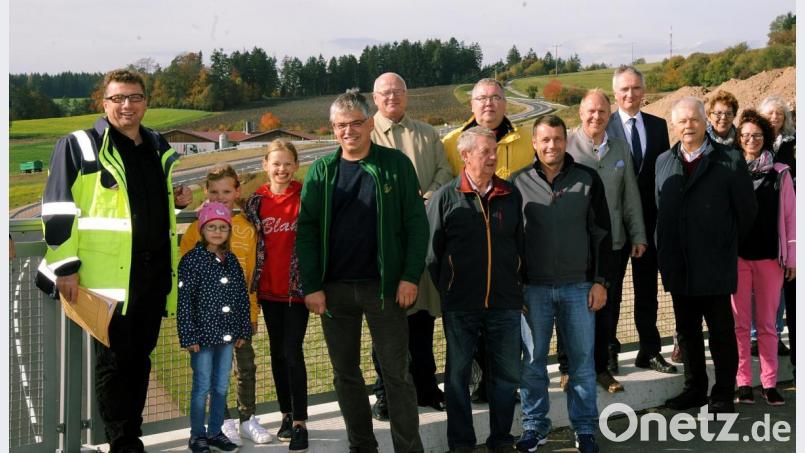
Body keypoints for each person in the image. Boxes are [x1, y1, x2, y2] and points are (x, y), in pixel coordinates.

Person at [35, 69, 192, 453]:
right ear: (103, 103)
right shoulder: (79, 145)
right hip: (108, 278)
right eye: (118, 98)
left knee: (140, 359)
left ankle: (131, 435)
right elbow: (57, 208)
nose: (127, 105)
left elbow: (139, 203)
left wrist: (174, 202)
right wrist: (65, 266)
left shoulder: (156, 144)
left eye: (134, 97)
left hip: (154, 273)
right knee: (115, 362)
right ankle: (122, 443)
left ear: (145, 102)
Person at [296, 89, 427, 453]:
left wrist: (409, 276)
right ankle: (362, 446)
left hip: (384, 289)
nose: (348, 131)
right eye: (340, 125)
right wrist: (312, 285)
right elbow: (306, 231)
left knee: (397, 374)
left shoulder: (395, 165)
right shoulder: (322, 171)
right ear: (332, 128)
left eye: (355, 123)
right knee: (346, 375)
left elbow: (416, 225)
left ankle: (408, 449)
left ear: (370, 123)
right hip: (334, 291)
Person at [512, 115, 614, 453]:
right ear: (534, 143)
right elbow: (510, 240)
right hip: (533, 290)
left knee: (582, 363)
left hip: (578, 288)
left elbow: (602, 234)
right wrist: (516, 286)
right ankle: (534, 426)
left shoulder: (587, 178)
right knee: (533, 363)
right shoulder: (518, 182)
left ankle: (584, 429)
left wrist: (600, 282)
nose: (551, 145)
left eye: (557, 139)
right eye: (545, 140)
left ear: (566, 141)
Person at [655, 97, 757, 414]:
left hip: (715, 265)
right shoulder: (663, 162)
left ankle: (724, 392)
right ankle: (695, 389)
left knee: (721, 332)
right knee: (687, 333)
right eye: (682, 120)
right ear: (674, 125)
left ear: (705, 122)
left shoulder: (729, 160)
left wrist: (724, 245)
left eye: (694, 119)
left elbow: (747, 212)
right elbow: (660, 210)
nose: (688, 125)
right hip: (680, 266)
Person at [427, 126, 524, 453]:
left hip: (505, 303)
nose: (493, 157)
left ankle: (501, 440)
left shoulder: (510, 194)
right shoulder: (446, 197)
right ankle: (462, 444)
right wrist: (450, 290)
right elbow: (432, 255)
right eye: (485, 152)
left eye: (494, 151)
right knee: (457, 378)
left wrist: (516, 286)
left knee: (507, 377)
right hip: (461, 305)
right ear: (465, 155)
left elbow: (520, 245)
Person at [442, 77, 533, 402]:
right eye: (481, 98)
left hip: (513, 245)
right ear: (471, 104)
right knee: (473, 328)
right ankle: (479, 384)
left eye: (495, 97)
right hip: (471, 254)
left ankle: (508, 384)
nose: (489, 104)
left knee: (509, 322)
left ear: (505, 103)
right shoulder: (452, 143)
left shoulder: (527, 139)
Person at [369, 72, 451, 419]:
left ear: (407, 95)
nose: (392, 97)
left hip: (422, 238)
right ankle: (385, 393)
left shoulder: (427, 134)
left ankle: (426, 387)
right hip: (382, 244)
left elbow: (445, 171)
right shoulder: (365, 135)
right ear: (375, 98)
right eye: (385, 92)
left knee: (421, 319)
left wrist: (427, 197)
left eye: (398, 91)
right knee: (386, 323)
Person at [560, 88, 648, 394]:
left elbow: (630, 196)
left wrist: (638, 234)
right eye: (591, 111)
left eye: (602, 111)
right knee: (570, 306)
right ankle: (568, 368)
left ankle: (601, 369)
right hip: (575, 245)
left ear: (609, 115)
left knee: (607, 307)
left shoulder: (620, 148)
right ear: (580, 113)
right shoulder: (566, 145)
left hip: (613, 244)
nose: (596, 116)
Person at [179, 166, 271, 446]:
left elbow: (252, 275)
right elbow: (186, 280)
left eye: (227, 191)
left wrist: (251, 312)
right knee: (212, 373)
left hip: (238, 315)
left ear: (237, 192)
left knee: (245, 367)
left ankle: (247, 419)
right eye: (214, 192)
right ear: (206, 193)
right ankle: (223, 422)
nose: (221, 197)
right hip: (207, 318)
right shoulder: (195, 231)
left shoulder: (246, 228)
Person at [605, 66, 677, 373]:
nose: (630, 94)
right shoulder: (605, 126)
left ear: (643, 91)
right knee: (612, 292)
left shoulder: (658, 126)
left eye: (635, 88)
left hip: (648, 224)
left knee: (647, 290)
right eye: (624, 89)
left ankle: (649, 350)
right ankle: (609, 350)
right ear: (615, 93)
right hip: (614, 224)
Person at [244, 140, 310, 452]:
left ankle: (300, 422)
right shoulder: (256, 202)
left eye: (287, 163)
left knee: (292, 351)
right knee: (277, 353)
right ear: (265, 165)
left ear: (295, 166)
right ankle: (285, 414)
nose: (281, 169)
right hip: (268, 291)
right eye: (275, 163)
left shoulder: (305, 196)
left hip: (297, 291)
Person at [731, 109, 795, 406]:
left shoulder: (780, 173)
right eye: (745, 135)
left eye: (756, 135)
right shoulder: (731, 171)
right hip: (737, 259)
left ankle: (769, 383)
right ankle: (743, 382)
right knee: (740, 325)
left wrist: (792, 258)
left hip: (770, 259)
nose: (750, 140)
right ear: (739, 139)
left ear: (765, 137)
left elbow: (791, 218)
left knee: (768, 325)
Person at [178, 202, 251, 453]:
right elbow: (184, 302)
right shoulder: (191, 261)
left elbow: (241, 297)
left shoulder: (231, 260)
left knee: (221, 386)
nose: (217, 232)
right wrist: (189, 336)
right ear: (202, 229)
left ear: (229, 231)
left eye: (222, 227)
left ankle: (215, 432)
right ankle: (197, 435)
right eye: (212, 227)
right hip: (202, 337)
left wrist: (243, 330)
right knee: (202, 388)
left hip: (227, 336)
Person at [758, 95, 796, 362]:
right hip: (764, 220)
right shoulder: (755, 140)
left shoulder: (792, 144)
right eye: (769, 114)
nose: (774, 118)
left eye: (779, 114)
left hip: (788, 215)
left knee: (783, 282)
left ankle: (777, 332)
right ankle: (756, 334)